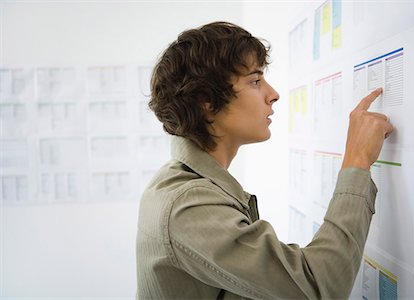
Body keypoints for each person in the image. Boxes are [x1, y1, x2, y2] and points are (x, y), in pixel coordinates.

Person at [136, 21, 393, 299]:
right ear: (206, 100)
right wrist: (357, 161)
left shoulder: (183, 186)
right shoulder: (188, 204)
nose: (274, 95)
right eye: (255, 81)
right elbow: (319, 285)